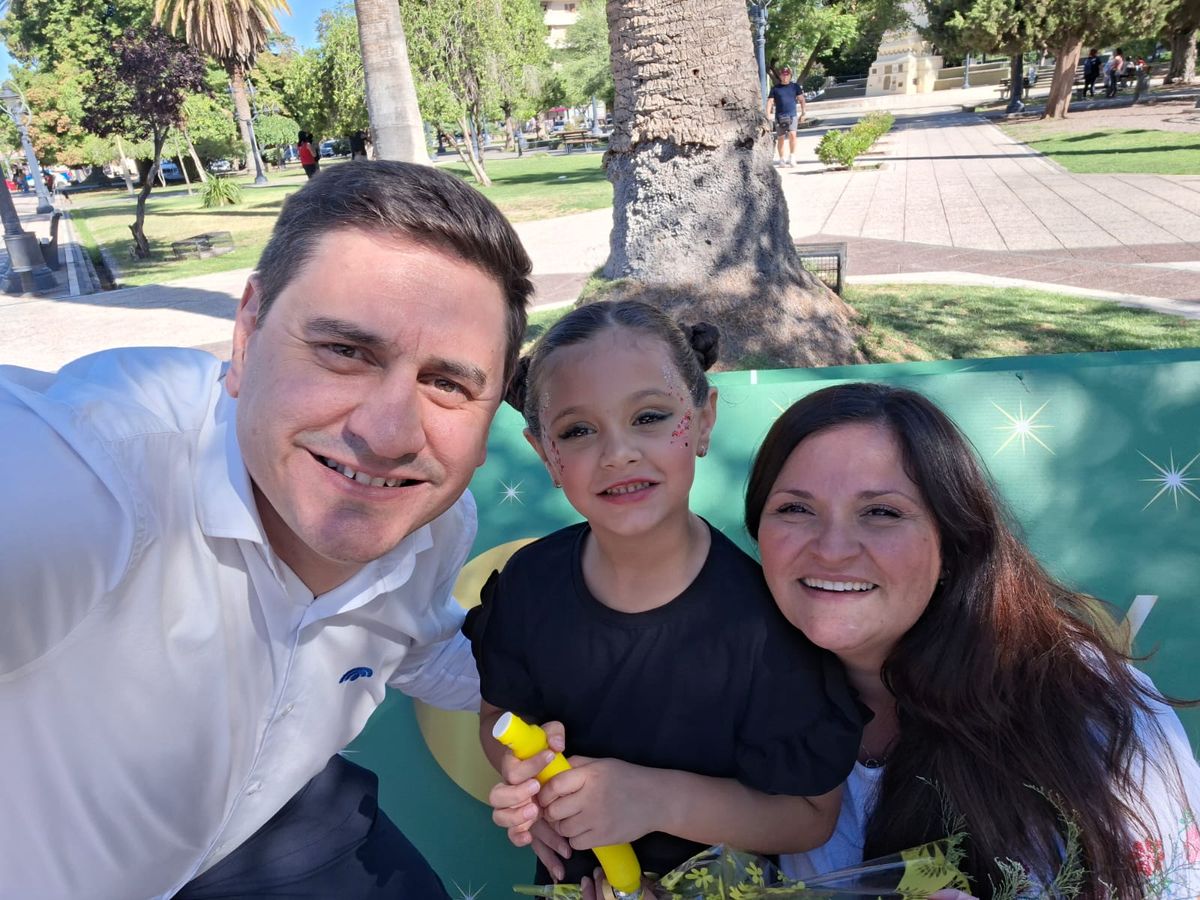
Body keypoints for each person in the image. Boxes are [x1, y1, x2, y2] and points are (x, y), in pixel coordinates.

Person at [0, 160, 534, 899]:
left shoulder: (435, 518)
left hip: (273, 821)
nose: (387, 435)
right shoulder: (88, 483)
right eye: (345, 351)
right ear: (246, 335)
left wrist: (538, 698)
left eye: (447, 383)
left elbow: (418, 638)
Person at [744, 382, 1200, 898]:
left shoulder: (1092, 717)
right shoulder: (737, 701)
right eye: (795, 509)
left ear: (953, 541)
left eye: (882, 512)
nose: (831, 549)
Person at [468, 301, 864, 893]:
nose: (617, 452)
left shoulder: (769, 620)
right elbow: (500, 718)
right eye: (578, 431)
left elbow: (811, 816)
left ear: (703, 420)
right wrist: (530, 778)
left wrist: (652, 799)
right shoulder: (528, 585)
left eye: (650, 417)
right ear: (544, 452)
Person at [766, 67, 806, 167]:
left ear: (790, 76)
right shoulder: (775, 88)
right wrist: (767, 115)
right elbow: (770, 101)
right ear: (780, 76)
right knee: (781, 138)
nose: (785, 77)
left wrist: (803, 112)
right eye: (783, 75)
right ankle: (781, 159)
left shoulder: (795, 87)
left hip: (792, 115)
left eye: (787, 75)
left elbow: (801, 99)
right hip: (780, 117)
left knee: (793, 135)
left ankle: (792, 156)